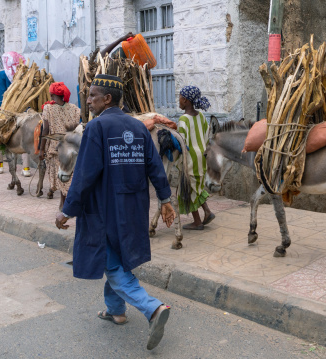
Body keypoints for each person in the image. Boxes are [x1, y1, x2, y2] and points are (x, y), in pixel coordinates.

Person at [55, 74, 176, 351]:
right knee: (119, 258)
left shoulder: (96, 128)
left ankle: (153, 308)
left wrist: (67, 210)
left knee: (112, 265)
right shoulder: (138, 128)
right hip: (133, 210)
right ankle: (116, 311)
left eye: (92, 96)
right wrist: (165, 199)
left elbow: (84, 175)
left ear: (107, 99)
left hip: (104, 211)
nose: (88, 100)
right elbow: (155, 167)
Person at [177, 85, 215, 230]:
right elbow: (206, 137)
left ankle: (198, 221)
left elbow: (182, 142)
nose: (179, 100)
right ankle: (206, 212)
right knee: (196, 186)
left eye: (180, 97)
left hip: (190, 158)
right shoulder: (202, 117)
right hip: (201, 158)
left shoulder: (183, 120)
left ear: (185, 100)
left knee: (188, 188)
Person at [39, 82, 81, 210]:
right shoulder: (74, 109)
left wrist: (41, 149)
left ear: (52, 95)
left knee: (61, 176)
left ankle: (64, 204)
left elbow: (45, 130)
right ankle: (64, 202)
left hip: (56, 148)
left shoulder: (48, 109)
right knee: (69, 175)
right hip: (72, 147)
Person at [0, 51, 32, 176]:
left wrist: (1, 113)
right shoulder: (25, 75)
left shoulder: (2, 75)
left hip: (8, 111)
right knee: (24, 139)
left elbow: (2, 95)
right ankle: (26, 169)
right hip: (23, 111)